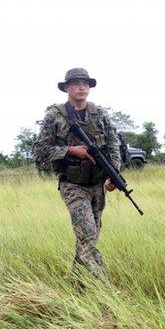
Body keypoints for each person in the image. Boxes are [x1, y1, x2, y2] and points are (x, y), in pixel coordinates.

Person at [33, 68, 121, 280]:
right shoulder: (55, 115)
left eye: (85, 83)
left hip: (97, 185)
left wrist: (114, 174)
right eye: (75, 84)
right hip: (72, 185)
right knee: (87, 233)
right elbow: (39, 150)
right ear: (67, 88)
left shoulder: (100, 114)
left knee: (90, 237)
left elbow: (113, 145)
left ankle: (76, 283)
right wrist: (69, 150)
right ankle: (104, 288)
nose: (81, 87)